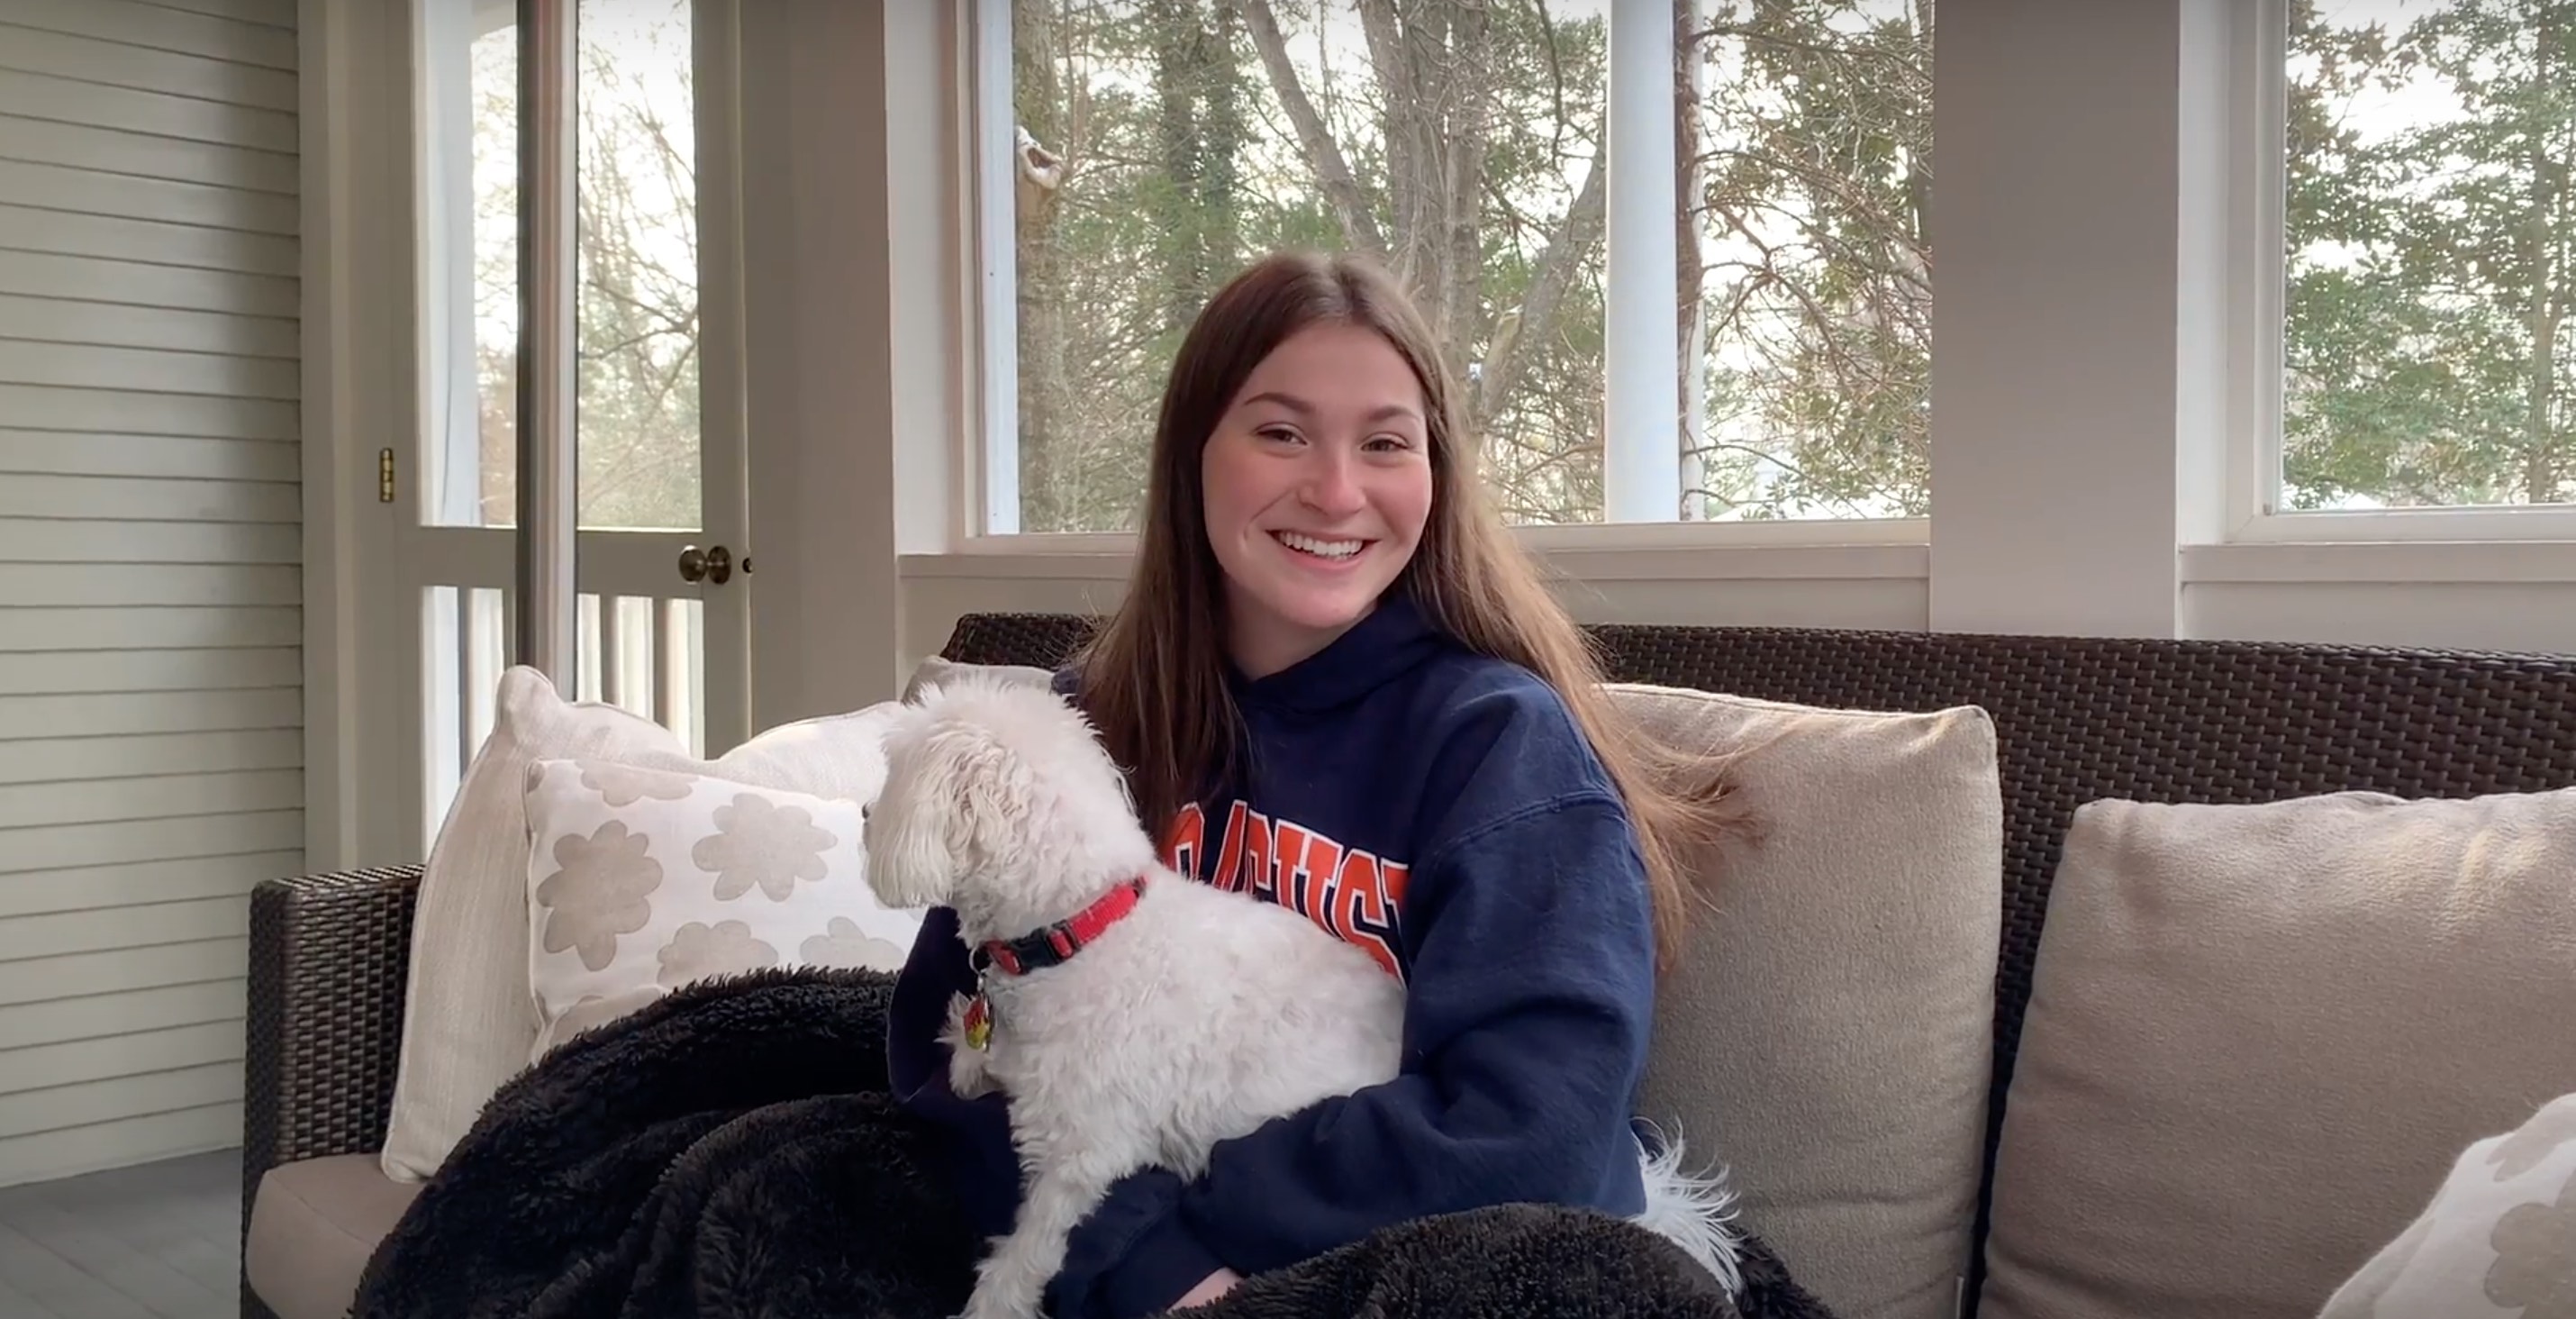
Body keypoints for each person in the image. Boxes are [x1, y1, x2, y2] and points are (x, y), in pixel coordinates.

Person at [886, 250, 1748, 1318]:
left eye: (1385, 443)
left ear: (1433, 475)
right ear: (1193, 456)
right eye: (1281, 432)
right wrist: (1144, 1264)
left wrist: (1204, 1236)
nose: (1338, 491)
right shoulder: (1082, 726)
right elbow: (958, 1043)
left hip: (1410, 1254)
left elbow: (1538, 1130)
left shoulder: (1498, 748)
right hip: (1110, 1247)